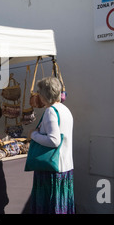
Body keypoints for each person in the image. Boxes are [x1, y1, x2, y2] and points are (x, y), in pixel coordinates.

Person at [28, 76, 75, 214]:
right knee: (62, 206)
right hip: (65, 166)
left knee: (50, 207)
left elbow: (54, 141)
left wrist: (33, 135)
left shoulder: (50, 111)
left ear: (43, 95)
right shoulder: (65, 110)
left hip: (51, 168)